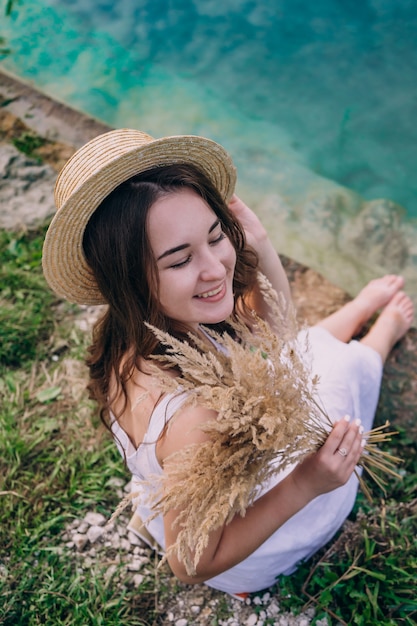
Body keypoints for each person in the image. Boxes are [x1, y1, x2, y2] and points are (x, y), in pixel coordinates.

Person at [42, 128, 414, 596]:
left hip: (185, 502)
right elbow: (191, 564)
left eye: (216, 235)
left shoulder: (133, 334)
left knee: (296, 355)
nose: (216, 268)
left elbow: (271, 339)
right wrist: (307, 482)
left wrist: (257, 243)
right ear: (130, 278)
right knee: (337, 373)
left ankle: (359, 310)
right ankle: (379, 336)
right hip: (247, 543)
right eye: (179, 260)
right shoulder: (196, 418)